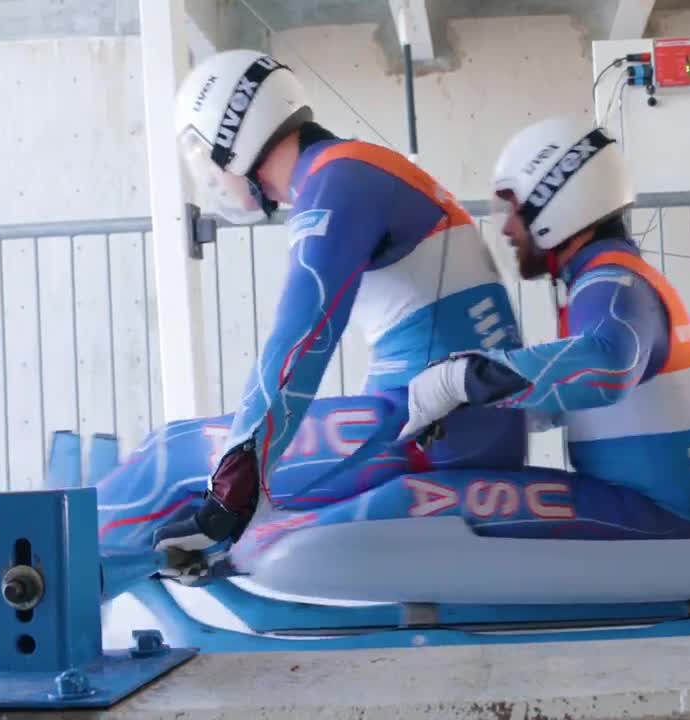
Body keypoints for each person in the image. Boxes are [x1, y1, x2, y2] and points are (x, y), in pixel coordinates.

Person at [142, 49, 526, 582]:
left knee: (172, 456)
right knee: (231, 461)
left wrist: (228, 497)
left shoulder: (338, 182)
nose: (207, 173)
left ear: (233, 135)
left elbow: (298, 344)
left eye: (202, 151)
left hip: (441, 436)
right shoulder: (351, 168)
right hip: (451, 425)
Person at [394, 114, 690, 537]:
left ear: (557, 200)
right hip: (658, 507)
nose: (506, 227)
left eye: (513, 206)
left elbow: (606, 365)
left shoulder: (611, 282)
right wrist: (477, 407)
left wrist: (458, 379)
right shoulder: (610, 278)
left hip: (658, 516)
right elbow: (573, 393)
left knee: (422, 499)